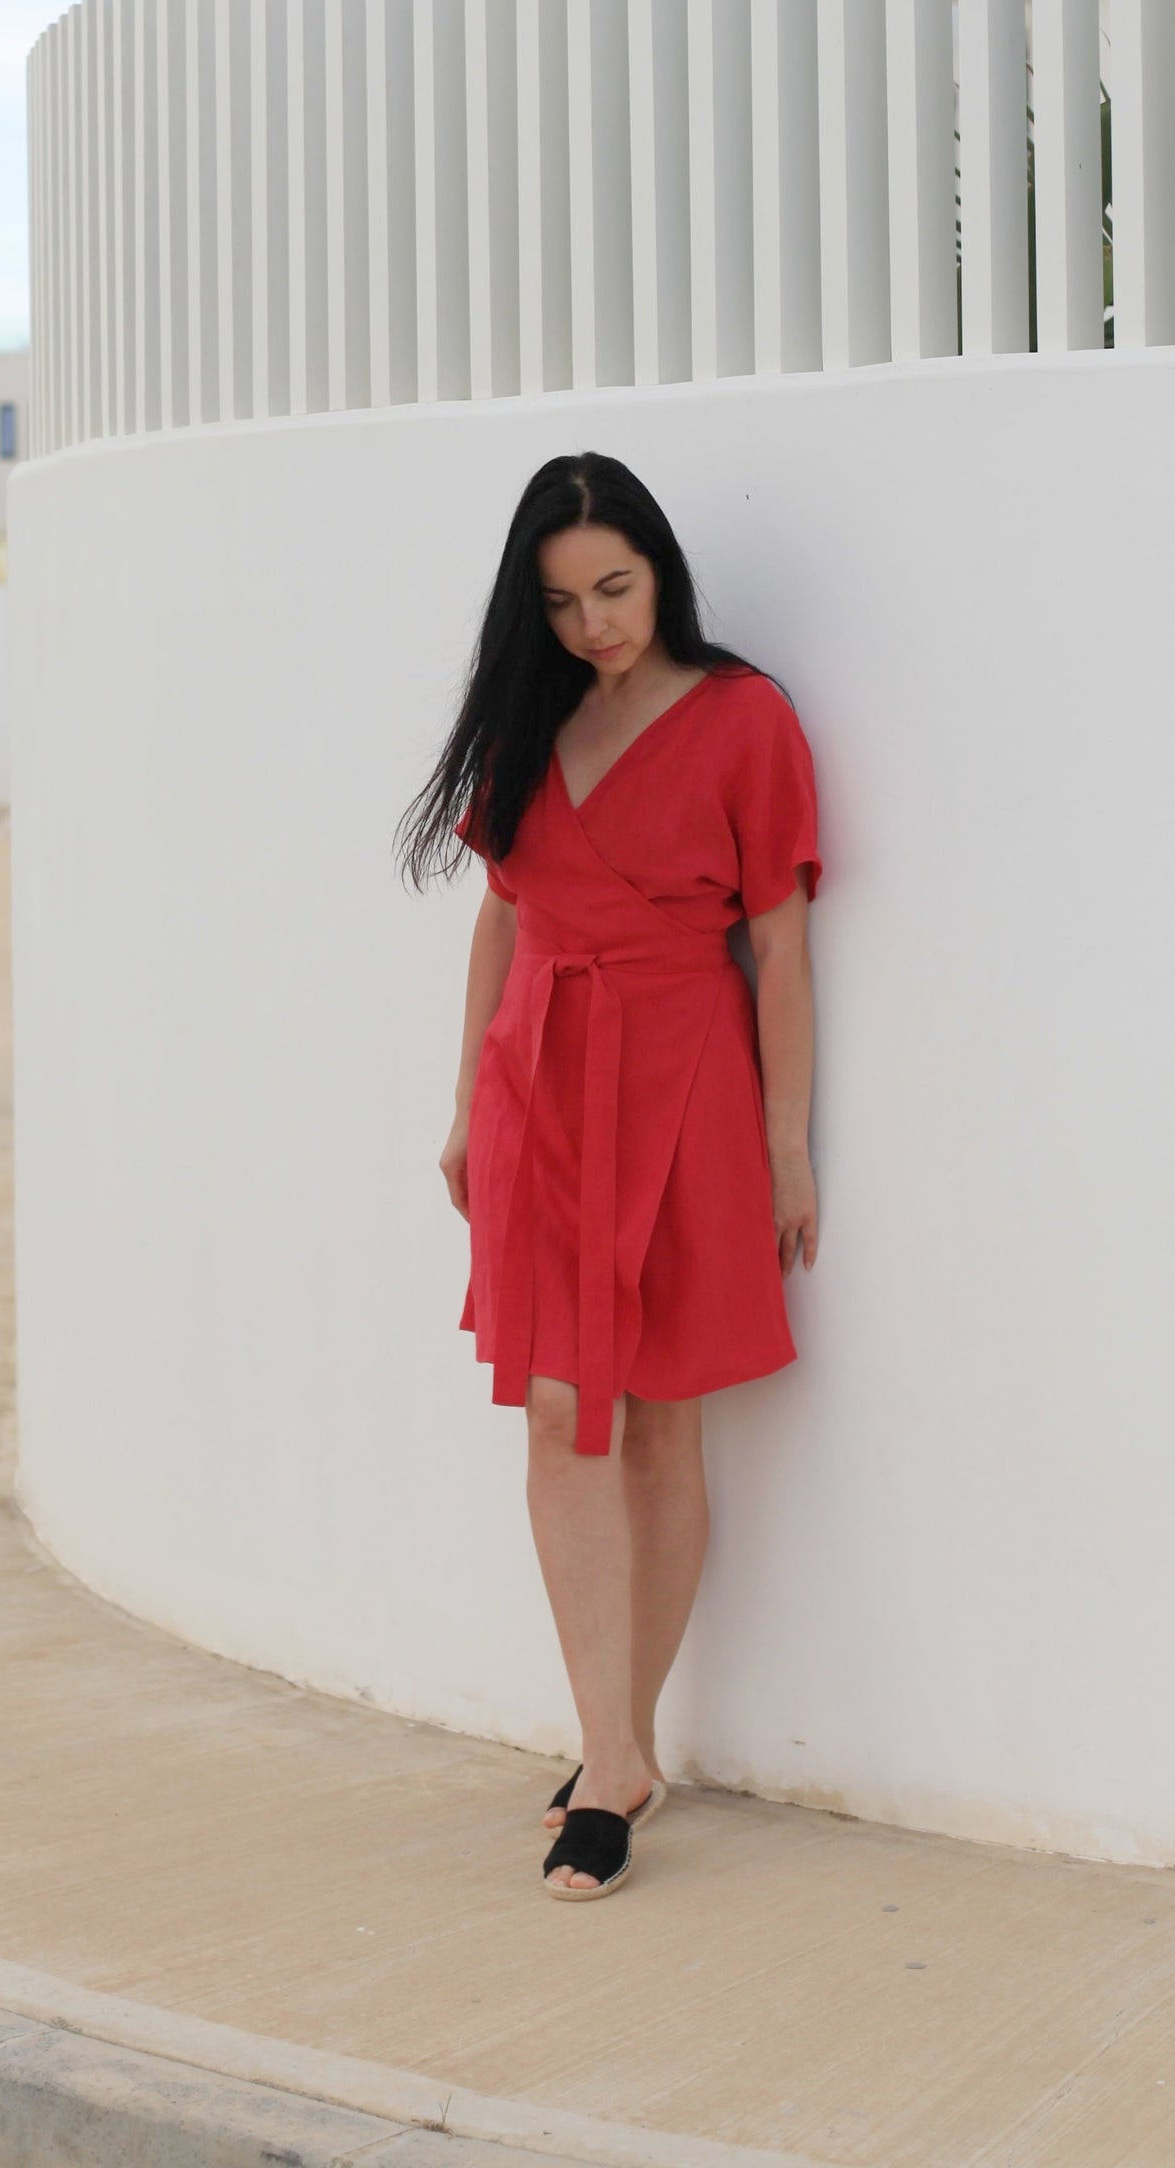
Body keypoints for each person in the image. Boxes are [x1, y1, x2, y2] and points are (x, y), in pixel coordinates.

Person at [396, 451, 822, 1900]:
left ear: (661, 570)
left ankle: (617, 1756)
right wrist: (464, 1100)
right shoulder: (531, 723)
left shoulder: (744, 719)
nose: (596, 627)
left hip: (684, 1080)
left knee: (657, 1425)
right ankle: (611, 1747)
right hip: (539, 1086)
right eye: (565, 602)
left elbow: (775, 941)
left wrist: (783, 1144)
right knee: (558, 1411)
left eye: (617, 590)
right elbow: (501, 919)